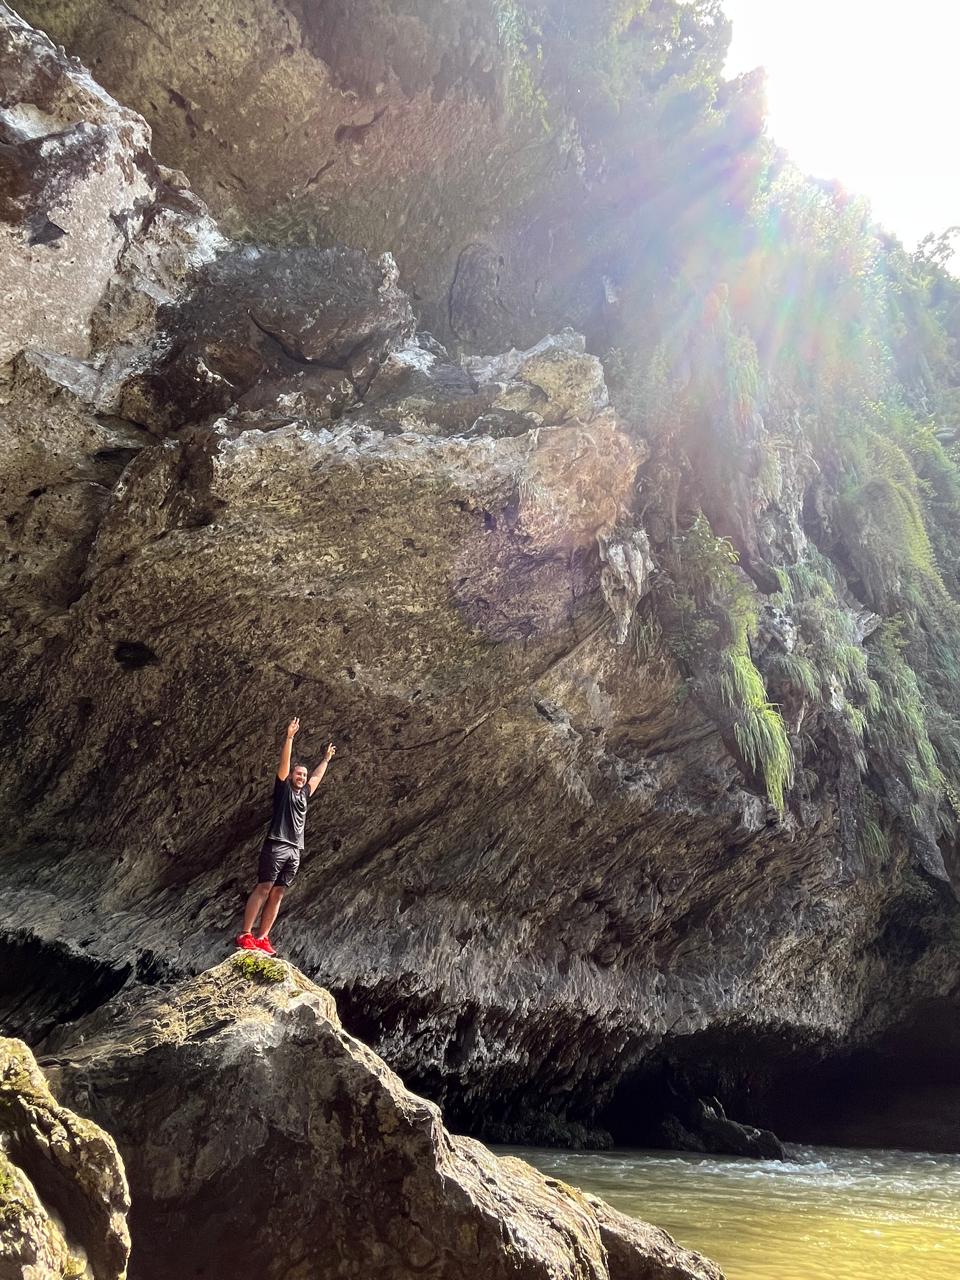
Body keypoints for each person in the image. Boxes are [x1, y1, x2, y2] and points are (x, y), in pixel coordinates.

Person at [235, 717, 335, 956]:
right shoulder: (283, 790)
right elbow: (284, 763)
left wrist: (326, 760)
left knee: (278, 892)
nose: (301, 777)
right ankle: (245, 934)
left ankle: (262, 937)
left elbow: (317, 778)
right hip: (277, 844)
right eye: (298, 774)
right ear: (291, 776)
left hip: (294, 849)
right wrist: (289, 737)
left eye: (303, 775)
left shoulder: (304, 795)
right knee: (264, 887)